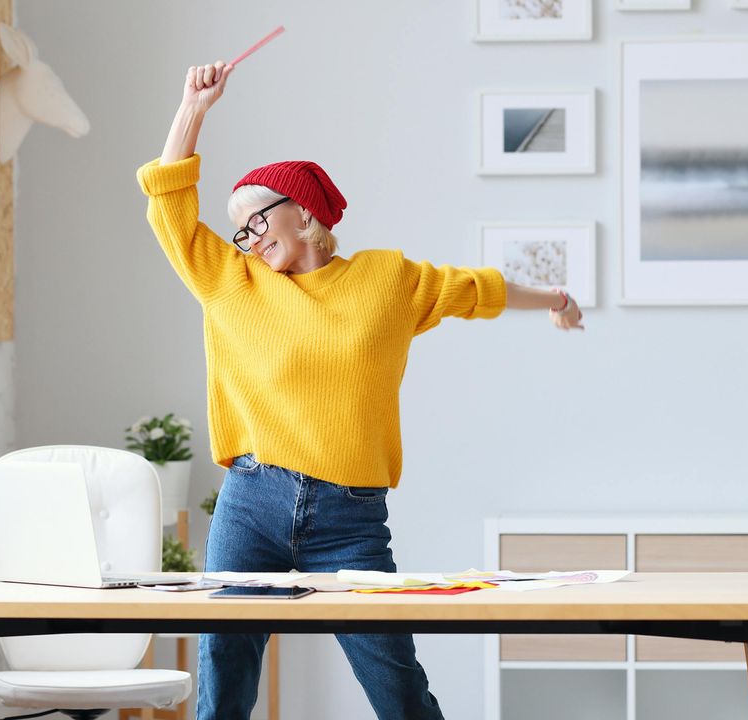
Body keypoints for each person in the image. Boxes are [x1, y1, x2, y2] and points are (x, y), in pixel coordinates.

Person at [136, 60, 585, 720]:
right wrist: (192, 107)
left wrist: (558, 297)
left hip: (350, 519)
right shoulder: (230, 281)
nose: (248, 241)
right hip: (251, 503)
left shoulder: (385, 281)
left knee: (395, 683)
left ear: (305, 215)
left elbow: (477, 290)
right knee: (225, 678)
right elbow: (168, 204)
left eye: (256, 223)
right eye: (239, 230)